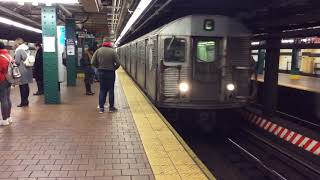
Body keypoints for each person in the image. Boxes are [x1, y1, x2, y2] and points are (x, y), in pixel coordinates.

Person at [92, 39, 120, 113]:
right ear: (109, 43)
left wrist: (98, 67)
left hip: (101, 73)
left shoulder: (98, 51)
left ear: (103, 43)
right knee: (111, 90)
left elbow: (92, 62)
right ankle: (111, 108)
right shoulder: (113, 51)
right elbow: (118, 63)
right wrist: (114, 68)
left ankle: (101, 108)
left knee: (102, 90)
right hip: (111, 73)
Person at [14, 38, 33, 107]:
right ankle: (26, 100)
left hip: (22, 70)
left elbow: (17, 61)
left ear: (17, 43)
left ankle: (23, 102)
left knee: (22, 86)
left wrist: (14, 61)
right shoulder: (27, 49)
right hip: (28, 69)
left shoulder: (19, 50)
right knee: (26, 85)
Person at [0, 42, 13, 125]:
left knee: (3, 99)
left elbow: (2, 68)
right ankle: (8, 117)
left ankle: (4, 120)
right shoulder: (9, 55)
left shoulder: (1, 57)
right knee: (7, 98)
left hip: (2, 79)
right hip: (9, 79)